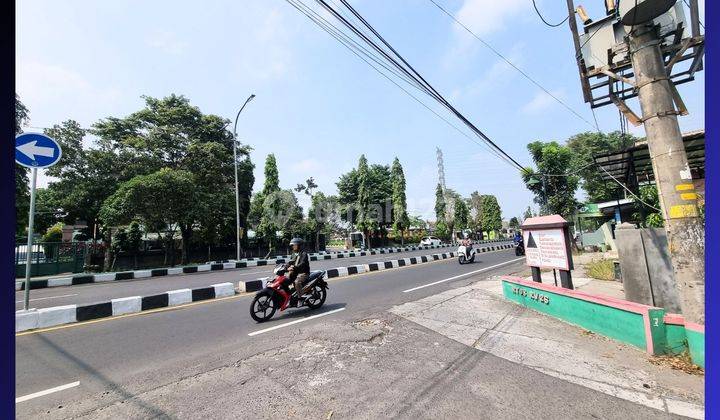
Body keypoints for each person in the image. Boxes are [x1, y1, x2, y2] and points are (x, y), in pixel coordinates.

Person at [287, 237, 310, 305]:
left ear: (299, 245)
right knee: (286, 280)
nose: (293, 246)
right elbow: (291, 262)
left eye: (295, 245)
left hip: (303, 273)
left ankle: (300, 298)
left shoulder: (304, 253)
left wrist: (294, 267)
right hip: (295, 272)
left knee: (297, 282)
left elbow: (302, 263)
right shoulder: (294, 253)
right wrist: (285, 266)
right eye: (293, 245)